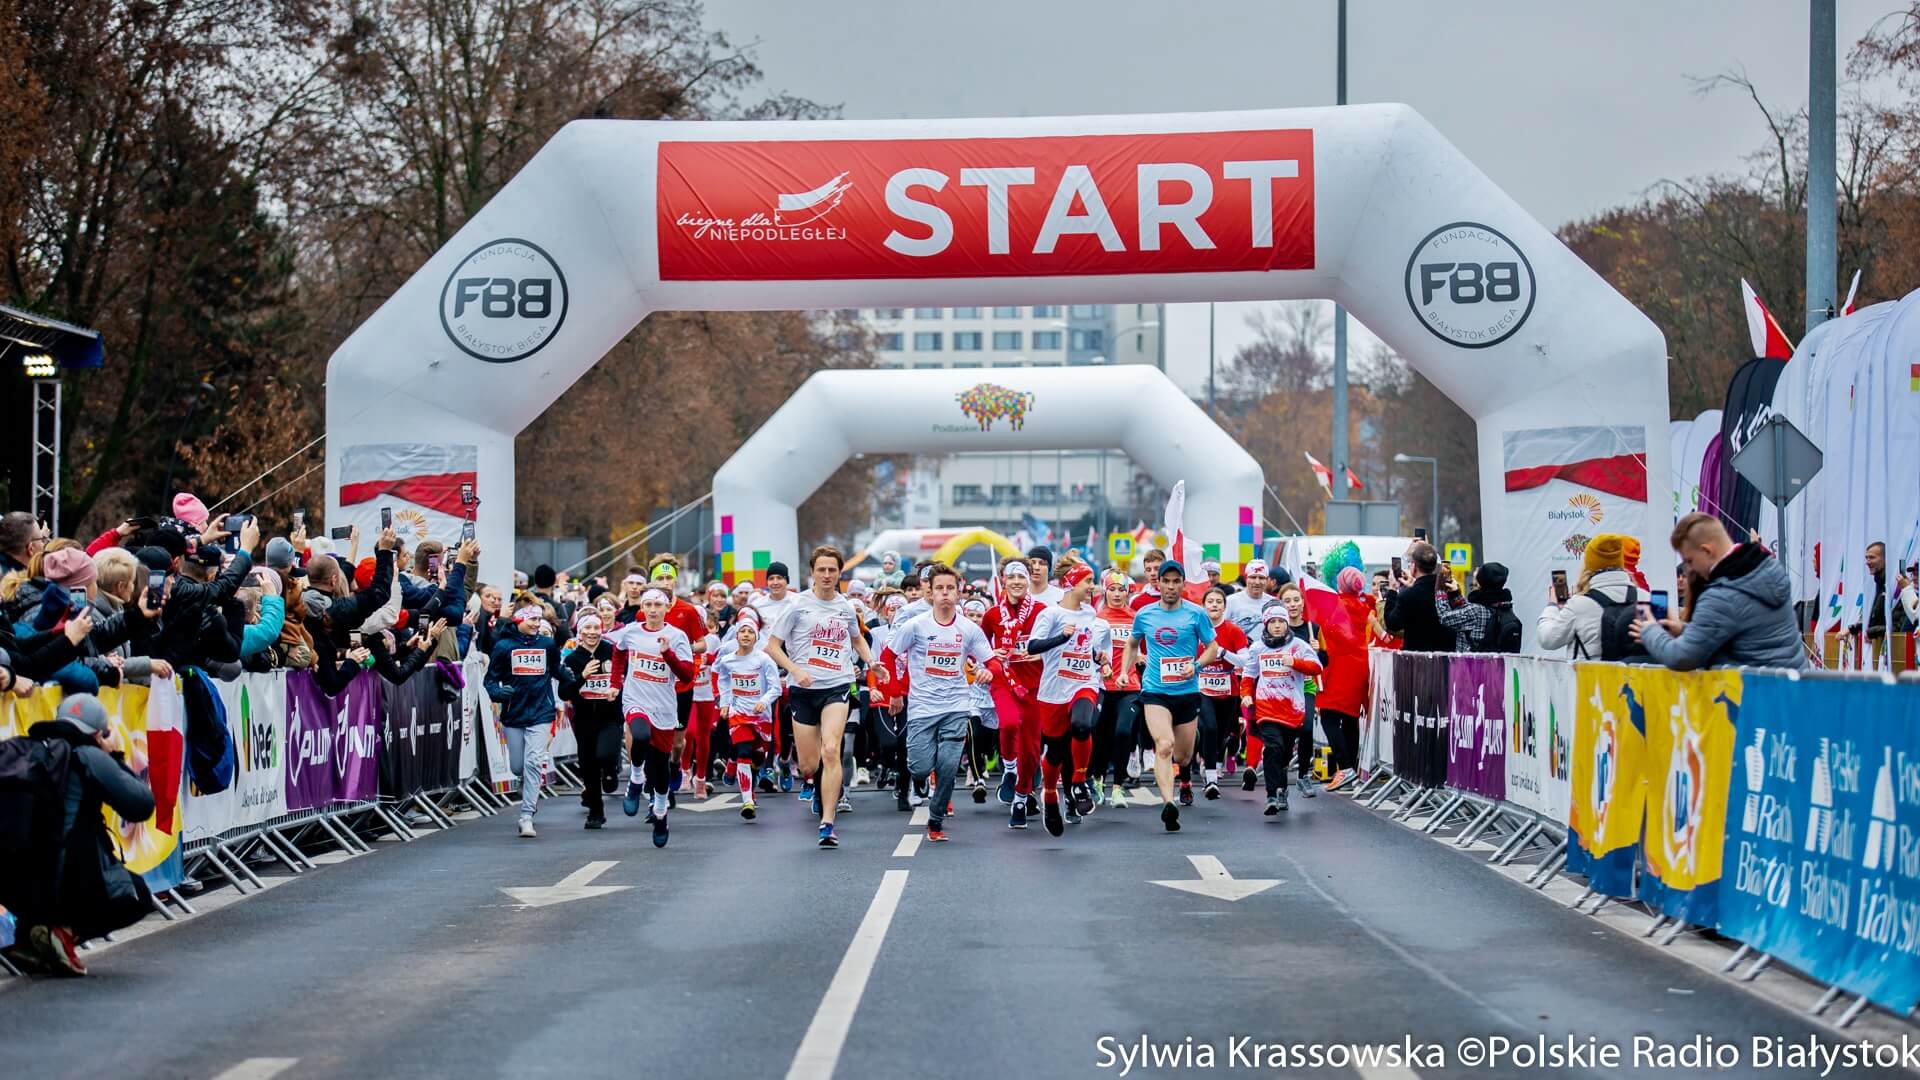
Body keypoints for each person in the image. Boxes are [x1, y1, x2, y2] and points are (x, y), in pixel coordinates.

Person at [0, 693, 156, 976]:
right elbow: (141, 804)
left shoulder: (25, 749)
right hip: (66, 877)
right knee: (137, 895)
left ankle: (29, 939)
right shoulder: (87, 754)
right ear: (98, 733)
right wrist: (114, 758)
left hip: (12, 881)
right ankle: (63, 932)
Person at [875, 562, 998, 843]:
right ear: (929, 591)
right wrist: (894, 690)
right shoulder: (915, 625)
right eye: (939, 588)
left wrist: (988, 670)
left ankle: (936, 818)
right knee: (919, 767)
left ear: (958, 593)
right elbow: (888, 657)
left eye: (949, 589)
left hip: (956, 706)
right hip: (921, 708)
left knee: (947, 767)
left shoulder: (968, 629)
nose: (944, 593)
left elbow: (991, 662)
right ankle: (921, 780)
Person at [764, 546, 872, 849]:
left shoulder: (845, 606)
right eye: (821, 570)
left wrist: (872, 661)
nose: (827, 575)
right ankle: (815, 779)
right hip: (803, 690)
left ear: (840, 574)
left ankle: (827, 822)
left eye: (832, 570)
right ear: (812, 572)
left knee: (832, 748)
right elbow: (772, 646)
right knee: (810, 764)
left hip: (837, 685)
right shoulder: (797, 605)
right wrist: (795, 670)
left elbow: (857, 638)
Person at [1635, 513, 1808, 671]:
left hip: (1755, 696)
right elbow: (1741, 633)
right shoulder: (1767, 568)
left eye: (1689, 560)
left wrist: (1650, 630)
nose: (1689, 569)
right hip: (1791, 688)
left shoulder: (1722, 595)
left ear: (1707, 550)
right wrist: (1682, 630)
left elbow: (1681, 657)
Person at [1122, 560, 1219, 832]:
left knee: (1183, 756)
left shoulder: (1196, 614)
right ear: (1159, 583)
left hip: (1187, 692)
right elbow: (1131, 644)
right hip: (1155, 690)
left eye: (1177, 581)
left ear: (1182, 584)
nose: (1171, 586)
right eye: (1167, 581)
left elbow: (1213, 647)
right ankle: (1168, 803)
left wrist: (1196, 665)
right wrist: (1124, 670)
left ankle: (1191, 740)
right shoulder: (1145, 614)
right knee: (1163, 745)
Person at [1022, 558, 1110, 835]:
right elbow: (1032, 646)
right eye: (1088, 581)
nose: (1093, 587)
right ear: (1072, 583)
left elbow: (1096, 652)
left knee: (1083, 726)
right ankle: (1049, 794)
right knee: (1057, 751)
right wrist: (1061, 637)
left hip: (1084, 683)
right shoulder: (1050, 615)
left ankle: (1079, 781)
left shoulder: (1094, 617)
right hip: (1053, 691)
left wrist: (1102, 659)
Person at [604, 587, 696, 846]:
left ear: (667, 608)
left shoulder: (676, 636)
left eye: (658, 605)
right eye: (648, 605)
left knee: (660, 765)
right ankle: (635, 779)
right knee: (640, 735)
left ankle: (660, 811)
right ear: (642, 608)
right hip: (636, 699)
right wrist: (615, 682)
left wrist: (668, 654)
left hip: (664, 706)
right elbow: (619, 652)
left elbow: (688, 675)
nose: (653, 610)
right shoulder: (632, 630)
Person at [483, 605, 564, 838]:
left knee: (533, 762)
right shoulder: (503, 647)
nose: (537, 624)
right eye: (532, 620)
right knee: (518, 765)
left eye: (540, 620)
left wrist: (573, 682)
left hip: (541, 712)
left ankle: (526, 815)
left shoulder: (547, 645)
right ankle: (527, 786)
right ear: (518, 620)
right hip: (513, 713)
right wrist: (498, 694)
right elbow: (491, 680)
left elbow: (556, 671)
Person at [1239, 604, 1325, 815]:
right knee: (1273, 748)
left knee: (1284, 753)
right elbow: (1248, 675)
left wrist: (1294, 662)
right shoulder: (1258, 648)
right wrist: (1246, 695)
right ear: (1266, 625)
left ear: (1287, 624)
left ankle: (1282, 788)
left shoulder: (1299, 645)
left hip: (1292, 708)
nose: (1277, 626)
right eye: (1272, 622)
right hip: (1266, 706)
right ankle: (1271, 796)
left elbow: (1317, 668)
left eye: (1281, 622)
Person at [980, 556, 1045, 827]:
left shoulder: (1042, 611)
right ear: (1004, 581)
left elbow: (1054, 643)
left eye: (1022, 577)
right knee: (1008, 724)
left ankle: (1021, 798)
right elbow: (979, 644)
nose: (1017, 582)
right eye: (1012, 577)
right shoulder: (992, 614)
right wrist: (989, 655)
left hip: (1034, 684)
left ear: (1029, 580)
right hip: (1003, 680)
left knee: (1031, 750)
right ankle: (1008, 766)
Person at [557, 611, 620, 829]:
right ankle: (596, 811)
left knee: (606, 754)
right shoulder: (572, 659)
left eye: (596, 628)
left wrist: (616, 689)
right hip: (584, 720)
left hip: (611, 716)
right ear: (580, 633)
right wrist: (582, 676)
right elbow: (564, 692)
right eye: (588, 629)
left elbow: (625, 677)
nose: (592, 633)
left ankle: (611, 769)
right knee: (588, 766)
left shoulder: (612, 652)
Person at [714, 618, 782, 821]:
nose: (745, 635)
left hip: (761, 717)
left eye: (750, 632)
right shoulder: (727, 661)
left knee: (758, 758)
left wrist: (764, 700)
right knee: (744, 750)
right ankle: (747, 801)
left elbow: (775, 688)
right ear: (736, 636)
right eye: (742, 631)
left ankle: (735, 763)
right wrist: (724, 703)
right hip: (738, 714)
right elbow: (723, 680)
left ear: (756, 637)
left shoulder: (764, 660)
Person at [1536, 535, 1642, 661]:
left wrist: (1552, 606)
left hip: (1588, 679)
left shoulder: (1578, 605)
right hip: (1634, 679)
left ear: (1589, 564)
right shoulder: (1645, 598)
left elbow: (1548, 639)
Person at [1193, 584, 1248, 803]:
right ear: (1203, 606)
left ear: (1224, 607)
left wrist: (1223, 652)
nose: (1214, 605)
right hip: (1202, 688)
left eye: (1218, 602)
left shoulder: (1233, 631)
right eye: (1210, 602)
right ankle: (1211, 779)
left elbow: (1244, 660)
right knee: (1210, 727)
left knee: (1220, 736)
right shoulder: (1195, 629)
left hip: (1228, 692)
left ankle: (1210, 762)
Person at [1093, 570, 1140, 805]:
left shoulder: (1135, 618)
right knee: (1100, 737)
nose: (1117, 594)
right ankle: (1098, 780)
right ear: (1105, 591)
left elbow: (1145, 648)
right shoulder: (1097, 617)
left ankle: (1118, 787)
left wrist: (1142, 657)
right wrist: (1103, 668)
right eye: (1112, 589)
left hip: (1130, 686)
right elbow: (1090, 652)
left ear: (1128, 591)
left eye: (1121, 589)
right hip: (1103, 686)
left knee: (1123, 733)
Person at [1434, 562, 1523, 653]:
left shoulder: (1475, 611)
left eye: (1475, 584)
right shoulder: (1504, 606)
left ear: (1481, 584)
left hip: (1468, 666)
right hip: (1494, 665)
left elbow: (1444, 617)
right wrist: (1456, 594)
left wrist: (1440, 591)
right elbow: (1467, 616)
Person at [1383, 541, 1456, 652]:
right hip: (1445, 659)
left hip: (1417, 660)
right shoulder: (1448, 591)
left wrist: (1392, 590)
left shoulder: (1408, 595)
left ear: (1414, 566)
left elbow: (1392, 624)